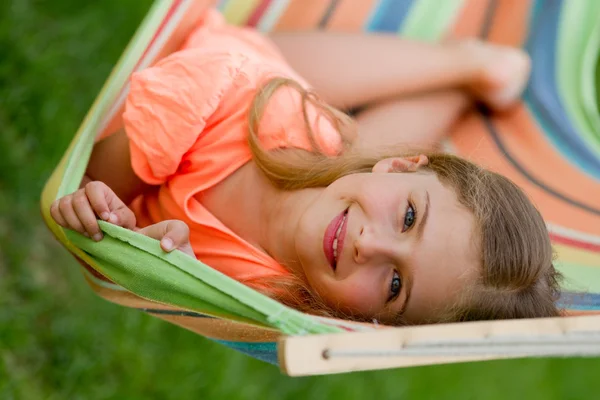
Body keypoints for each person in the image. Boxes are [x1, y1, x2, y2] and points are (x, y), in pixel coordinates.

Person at [50, 9, 561, 325]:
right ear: (403, 163)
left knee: (344, 158)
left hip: (317, 151)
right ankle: (467, 62)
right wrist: (107, 210)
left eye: (395, 286)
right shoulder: (218, 94)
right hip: (228, 78)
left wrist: (161, 264)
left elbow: (94, 229)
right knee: (297, 97)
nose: (370, 246)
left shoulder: (285, 303)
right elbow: (91, 178)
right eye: (408, 218)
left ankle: (471, 78)